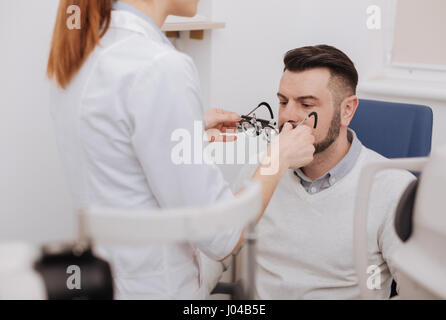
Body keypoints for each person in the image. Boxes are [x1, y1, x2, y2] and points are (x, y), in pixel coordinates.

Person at [46, 0, 315, 299]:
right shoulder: (159, 66)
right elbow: (223, 236)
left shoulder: (85, 54)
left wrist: (184, 131)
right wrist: (277, 158)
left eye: (306, 105)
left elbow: (115, 152)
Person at [234, 45, 416, 299]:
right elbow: (214, 251)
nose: (288, 116)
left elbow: (421, 293)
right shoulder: (262, 171)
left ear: (347, 110)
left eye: (306, 104)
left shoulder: (393, 189)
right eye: (283, 102)